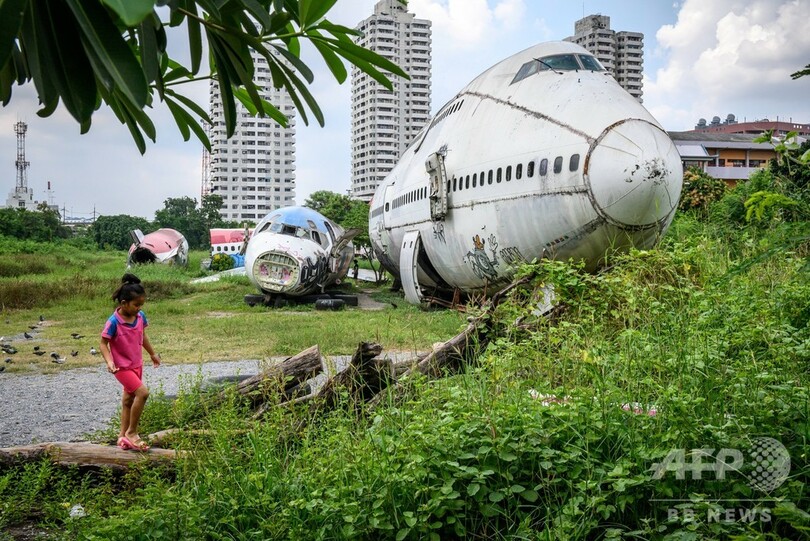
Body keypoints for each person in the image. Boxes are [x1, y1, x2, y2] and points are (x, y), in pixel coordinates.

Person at [100, 273, 161, 451]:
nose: (139, 308)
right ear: (124, 303)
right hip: (121, 367)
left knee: (128, 400)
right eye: (136, 305)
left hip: (136, 365)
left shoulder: (140, 317)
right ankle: (132, 433)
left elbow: (143, 336)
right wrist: (109, 362)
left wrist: (152, 354)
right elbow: (103, 343)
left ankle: (121, 437)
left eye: (141, 304)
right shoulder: (113, 322)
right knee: (142, 393)